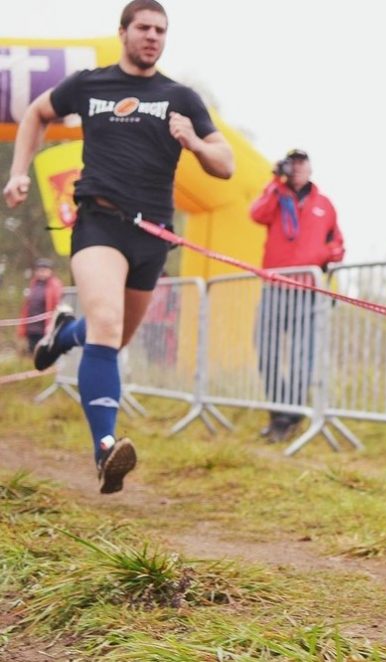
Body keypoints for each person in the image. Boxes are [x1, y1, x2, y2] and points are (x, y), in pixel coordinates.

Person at [2, 0, 234, 494]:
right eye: (144, 28)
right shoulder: (90, 84)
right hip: (99, 223)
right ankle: (106, 449)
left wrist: (194, 142)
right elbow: (36, 114)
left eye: (161, 30)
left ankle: (66, 333)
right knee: (107, 328)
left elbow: (226, 165)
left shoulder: (181, 97)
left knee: (114, 338)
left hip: (153, 237)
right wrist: (19, 172)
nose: (153, 36)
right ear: (124, 32)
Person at [249, 149, 344, 440]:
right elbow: (256, 214)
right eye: (294, 163)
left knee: (303, 355)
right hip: (275, 287)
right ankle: (279, 410)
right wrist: (275, 183)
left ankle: (289, 417)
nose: (298, 167)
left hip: (308, 290)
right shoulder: (276, 196)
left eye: (303, 162)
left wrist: (320, 256)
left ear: (311, 167)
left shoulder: (324, 205)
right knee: (266, 349)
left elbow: (338, 244)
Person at [18, 258, 64, 354]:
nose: (41, 273)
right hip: (32, 329)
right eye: (39, 270)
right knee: (32, 352)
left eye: (44, 270)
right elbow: (26, 306)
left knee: (44, 354)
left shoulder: (55, 285)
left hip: (45, 329)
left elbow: (57, 305)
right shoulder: (33, 284)